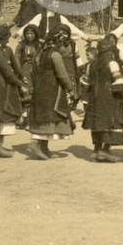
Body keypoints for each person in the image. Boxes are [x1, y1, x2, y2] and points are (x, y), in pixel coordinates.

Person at [27, 27, 78, 160]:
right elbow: (62, 74)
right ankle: (36, 144)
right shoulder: (55, 55)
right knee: (50, 115)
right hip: (52, 88)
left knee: (44, 114)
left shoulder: (40, 52)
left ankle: (44, 148)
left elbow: (32, 71)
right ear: (58, 41)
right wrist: (71, 89)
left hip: (40, 87)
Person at [82, 36, 123, 163]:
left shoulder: (92, 64)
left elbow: (85, 82)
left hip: (95, 98)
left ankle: (96, 150)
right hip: (110, 97)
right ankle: (105, 150)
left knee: (98, 123)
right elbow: (119, 81)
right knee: (112, 122)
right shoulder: (112, 63)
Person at [0, 24, 27, 158]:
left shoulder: (4, 50)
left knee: (0, 113)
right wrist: (20, 85)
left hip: (0, 84)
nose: (8, 39)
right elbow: (7, 72)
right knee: (0, 113)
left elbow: (15, 65)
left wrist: (22, 76)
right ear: (2, 37)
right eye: (7, 37)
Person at [13, 25, 42, 130]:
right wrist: (20, 73)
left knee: (35, 94)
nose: (30, 36)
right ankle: (21, 119)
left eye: (32, 33)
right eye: (28, 34)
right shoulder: (21, 45)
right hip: (24, 70)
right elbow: (16, 59)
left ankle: (31, 119)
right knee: (24, 94)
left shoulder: (39, 45)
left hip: (35, 71)